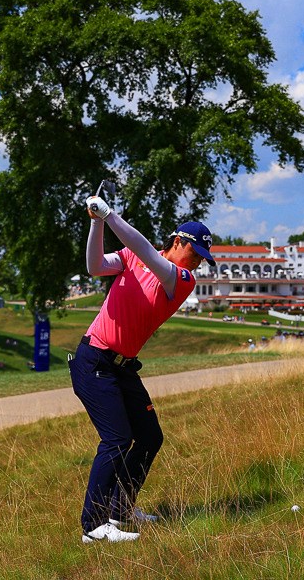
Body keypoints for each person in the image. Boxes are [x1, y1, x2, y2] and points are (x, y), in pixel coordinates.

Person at [73, 191, 214, 544]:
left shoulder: (181, 280)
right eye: (194, 253)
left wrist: (109, 215)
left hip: (122, 367)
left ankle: (121, 510)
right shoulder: (130, 259)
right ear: (179, 241)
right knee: (117, 439)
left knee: (150, 437)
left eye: (201, 258)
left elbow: (145, 252)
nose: (196, 262)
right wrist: (96, 224)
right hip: (95, 360)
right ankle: (94, 527)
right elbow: (93, 267)